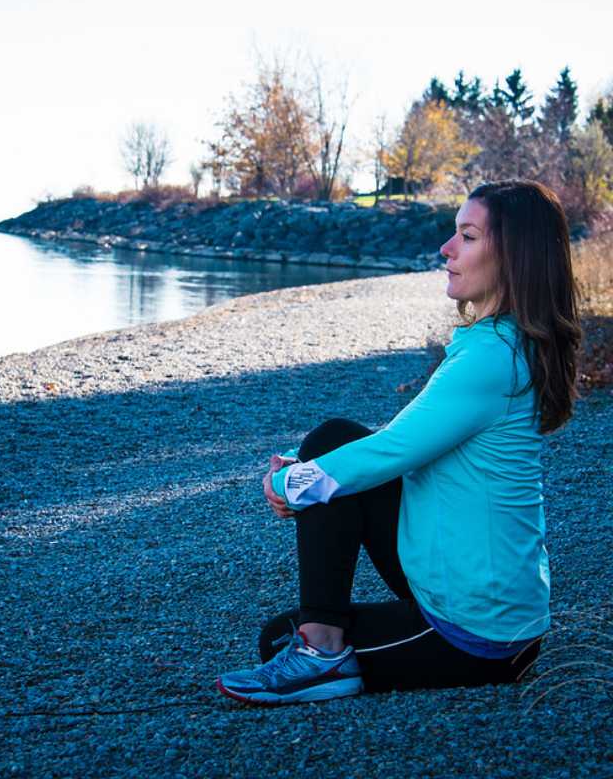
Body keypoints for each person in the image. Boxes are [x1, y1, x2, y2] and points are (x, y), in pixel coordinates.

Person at [217, 179, 582, 705]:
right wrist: (305, 470)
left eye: (468, 237)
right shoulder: (502, 343)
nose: (447, 249)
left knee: (278, 637)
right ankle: (322, 648)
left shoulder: (490, 358)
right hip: (485, 596)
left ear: (514, 254)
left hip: (484, 634)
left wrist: (287, 482)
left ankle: (321, 656)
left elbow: (390, 452)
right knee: (333, 444)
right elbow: (403, 444)